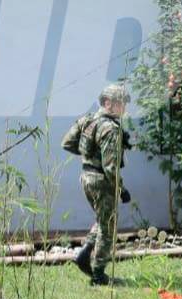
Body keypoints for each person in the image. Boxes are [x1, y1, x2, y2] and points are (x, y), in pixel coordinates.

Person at [70, 84, 132, 286]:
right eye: (120, 103)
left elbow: (67, 143)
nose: (124, 108)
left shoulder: (88, 121)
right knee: (108, 227)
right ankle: (98, 275)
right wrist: (121, 189)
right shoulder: (110, 129)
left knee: (102, 219)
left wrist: (90, 156)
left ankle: (84, 253)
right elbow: (111, 168)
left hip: (86, 177)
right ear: (107, 103)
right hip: (102, 181)